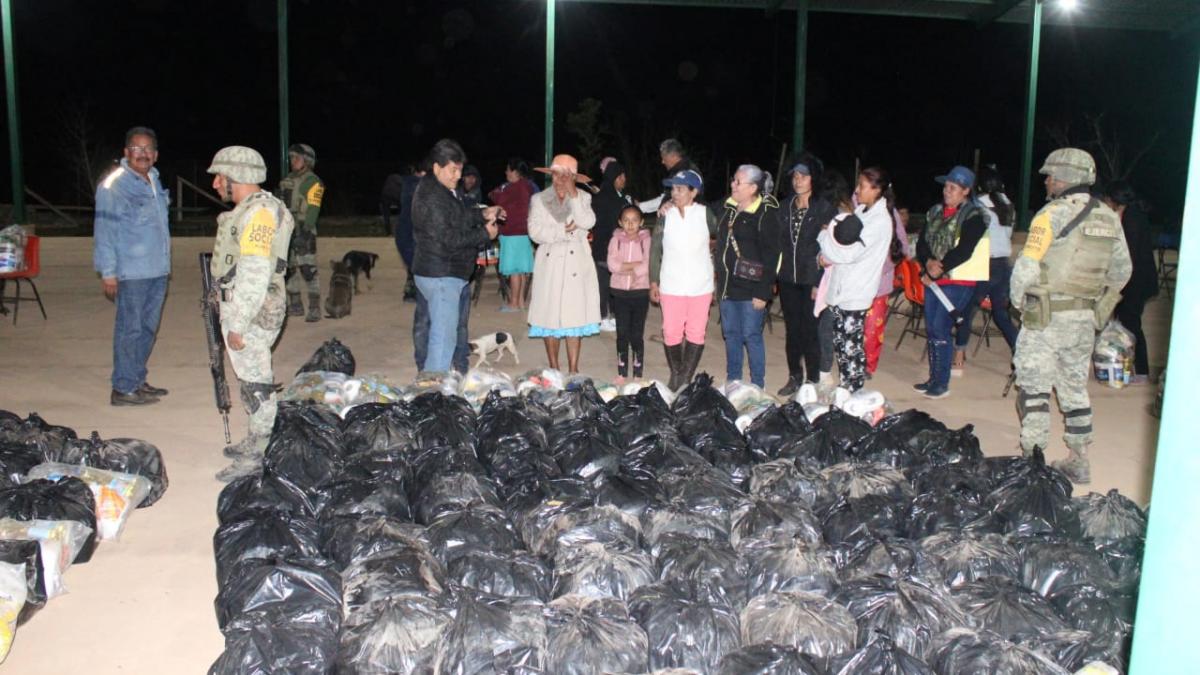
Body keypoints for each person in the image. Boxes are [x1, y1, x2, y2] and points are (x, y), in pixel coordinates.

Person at [1011, 148, 1131, 484]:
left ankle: (1032, 462)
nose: (1047, 181)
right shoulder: (1108, 217)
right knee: (1074, 387)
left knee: (1034, 387)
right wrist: (1098, 308)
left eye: (1050, 175)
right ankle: (1079, 459)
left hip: (1046, 317)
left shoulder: (1052, 214)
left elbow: (1027, 265)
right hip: (1082, 321)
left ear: (1065, 177)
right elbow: (1123, 270)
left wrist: (1020, 303)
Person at [205, 146, 295, 481]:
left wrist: (238, 323)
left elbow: (255, 273)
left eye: (220, 177)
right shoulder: (258, 208)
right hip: (253, 303)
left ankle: (260, 453)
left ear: (237, 177)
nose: (216, 184)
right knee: (250, 379)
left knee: (256, 384)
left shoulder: (258, 214)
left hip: (253, 307)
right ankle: (256, 439)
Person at [93, 126, 171, 406]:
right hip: (132, 272)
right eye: (137, 149)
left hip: (157, 270)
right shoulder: (114, 184)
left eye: (148, 149)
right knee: (130, 329)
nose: (143, 154)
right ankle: (123, 388)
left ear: (156, 154)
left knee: (148, 329)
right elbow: (104, 229)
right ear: (126, 152)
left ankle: (137, 379)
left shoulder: (154, 180)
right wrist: (109, 272)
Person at [412, 139, 501, 373]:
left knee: (443, 332)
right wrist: (485, 234)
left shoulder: (443, 190)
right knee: (443, 340)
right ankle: (433, 392)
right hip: (441, 273)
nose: (458, 176)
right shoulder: (432, 196)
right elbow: (449, 239)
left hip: (442, 271)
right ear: (437, 167)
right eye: (453, 170)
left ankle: (433, 382)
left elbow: (459, 215)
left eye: (460, 170)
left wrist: (483, 214)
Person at [912, 165, 990, 399]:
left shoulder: (974, 216)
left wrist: (939, 267)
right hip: (934, 278)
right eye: (946, 186)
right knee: (933, 328)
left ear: (966, 191)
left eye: (953, 187)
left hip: (958, 281)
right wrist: (927, 264)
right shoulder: (935, 211)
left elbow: (965, 250)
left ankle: (941, 383)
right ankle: (933, 378)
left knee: (941, 327)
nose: (947, 191)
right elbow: (921, 243)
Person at [816, 167, 894, 393]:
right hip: (844, 288)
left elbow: (847, 252)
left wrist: (824, 239)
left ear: (877, 190)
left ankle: (854, 392)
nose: (856, 190)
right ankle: (848, 391)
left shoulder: (879, 221)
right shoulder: (861, 211)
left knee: (850, 347)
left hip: (855, 291)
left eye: (862, 186)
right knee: (843, 345)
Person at [527, 154, 600, 373]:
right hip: (549, 262)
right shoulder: (539, 199)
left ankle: (574, 370)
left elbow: (588, 222)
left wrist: (574, 194)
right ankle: (554, 369)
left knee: (574, 317)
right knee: (549, 318)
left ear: (575, 178)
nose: (561, 179)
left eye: (567, 176)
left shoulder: (583, 198)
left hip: (576, 262)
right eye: (557, 174)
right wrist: (562, 231)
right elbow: (535, 231)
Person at [715, 165, 783, 388]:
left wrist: (763, 291)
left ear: (753, 187)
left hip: (752, 288)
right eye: (733, 180)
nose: (733, 185)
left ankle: (756, 385)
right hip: (728, 286)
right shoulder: (728, 208)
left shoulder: (765, 214)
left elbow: (772, 256)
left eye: (738, 182)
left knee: (751, 336)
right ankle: (733, 381)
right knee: (731, 335)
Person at [650, 169, 717, 389]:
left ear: (694, 192)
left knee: (696, 331)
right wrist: (653, 281)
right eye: (673, 188)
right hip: (671, 283)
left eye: (680, 189)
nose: (674, 193)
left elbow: (724, 232)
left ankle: (685, 378)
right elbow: (655, 250)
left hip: (701, 284)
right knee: (671, 331)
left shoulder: (706, 214)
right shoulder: (664, 216)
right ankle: (677, 373)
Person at [775, 154, 837, 396]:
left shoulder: (824, 209)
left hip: (812, 279)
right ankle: (794, 376)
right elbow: (778, 243)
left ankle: (812, 380)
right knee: (792, 330)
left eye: (804, 176)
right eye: (795, 176)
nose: (798, 180)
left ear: (814, 179)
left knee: (810, 331)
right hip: (788, 278)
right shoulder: (784, 207)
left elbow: (830, 248)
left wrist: (819, 281)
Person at [955, 166, 1020, 364]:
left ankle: (958, 357)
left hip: (985, 264)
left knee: (966, 311)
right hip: (1004, 265)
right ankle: (1021, 355)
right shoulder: (1008, 205)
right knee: (1001, 315)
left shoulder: (978, 205)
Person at [1104, 181, 1157, 384]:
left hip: (1137, 281)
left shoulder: (1133, 219)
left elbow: (1129, 255)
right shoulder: (1129, 215)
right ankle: (1122, 363)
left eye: (1108, 199)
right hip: (1133, 280)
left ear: (1115, 199)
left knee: (1131, 323)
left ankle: (1142, 369)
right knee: (1123, 322)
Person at [862, 197, 910, 378]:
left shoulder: (890, 214)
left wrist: (881, 268)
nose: (860, 190)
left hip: (878, 283)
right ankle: (854, 361)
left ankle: (868, 365)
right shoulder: (857, 209)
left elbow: (902, 247)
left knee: (872, 327)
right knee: (853, 327)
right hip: (855, 282)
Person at [279, 143, 325, 322]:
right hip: (287, 228)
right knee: (288, 268)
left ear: (307, 161)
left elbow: (314, 208)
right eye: (291, 158)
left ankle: (314, 308)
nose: (293, 161)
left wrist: (305, 231)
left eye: (297, 158)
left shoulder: (312, 181)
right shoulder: (288, 179)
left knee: (308, 269)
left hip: (304, 227)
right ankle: (295, 304)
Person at [608, 205, 652, 381]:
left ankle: (638, 372)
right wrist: (633, 266)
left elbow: (648, 263)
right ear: (620, 222)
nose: (630, 224)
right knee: (622, 333)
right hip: (619, 293)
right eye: (626, 220)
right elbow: (612, 265)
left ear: (641, 222)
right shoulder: (615, 240)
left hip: (640, 292)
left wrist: (628, 269)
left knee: (636, 334)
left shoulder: (646, 240)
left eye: (634, 220)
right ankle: (622, 372)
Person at [488, 158, 538, 312]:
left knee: (514, 270)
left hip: (512, 233)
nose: (506, 172)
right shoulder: (529, 186)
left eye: (508, 170)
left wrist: (496, 192)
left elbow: (496, 197)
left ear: (515, 172)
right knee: (521, 269)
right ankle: (521, 302)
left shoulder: (513, 188)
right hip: (523, 233)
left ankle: (514, 303)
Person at [591, 160, 634, 332]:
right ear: (615, 178)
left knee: (612, 283)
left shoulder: (614, 196)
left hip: (610, 249)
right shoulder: (609, 199)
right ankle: (602, 317)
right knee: (605, 284)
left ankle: (612, 316)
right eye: (622, 176)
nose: (624, 179)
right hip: (607, 249)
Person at [390, 164, 425, 302]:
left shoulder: (407, 185)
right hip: (412, 231)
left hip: (406, 232)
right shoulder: (416, 186)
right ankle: (414, 292)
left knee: (413, 266)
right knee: (416, 266)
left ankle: (411, 292)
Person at [640, 138, 701, 214]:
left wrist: (640, 206)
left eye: (663, 157)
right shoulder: (678, 170)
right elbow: (667, 197)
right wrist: (640, 206)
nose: (662, 161)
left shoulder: (687, 174)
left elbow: (674, 199)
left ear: (673, 156)